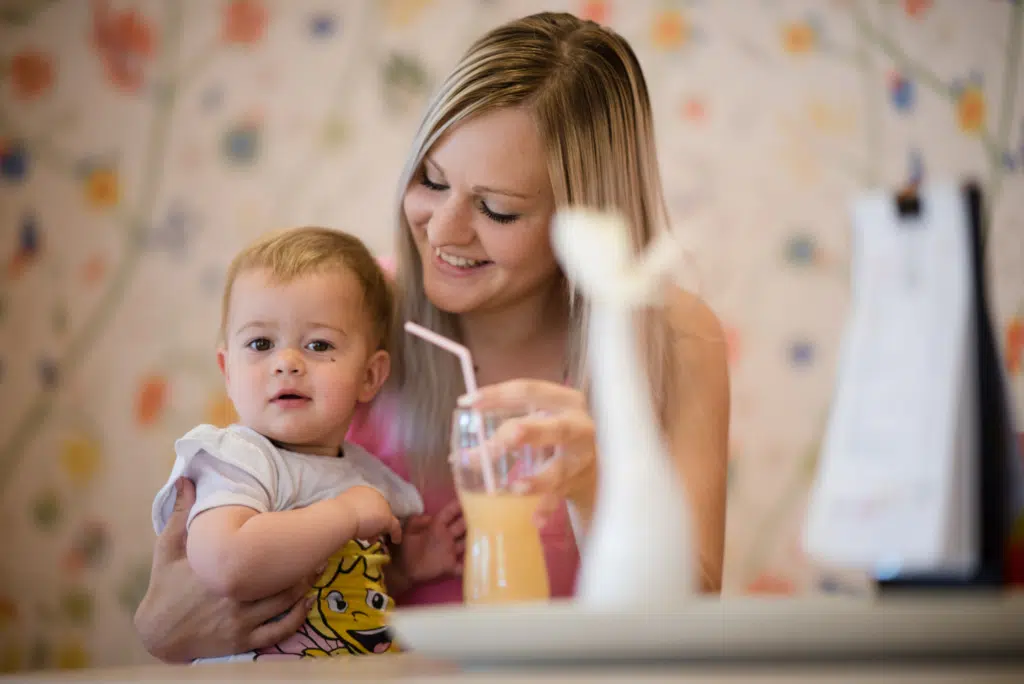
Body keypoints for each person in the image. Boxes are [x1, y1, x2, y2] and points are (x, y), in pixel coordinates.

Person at [134, 12, 729, 662]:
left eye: (497, 209)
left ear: (585, 217)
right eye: (431, 181)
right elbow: (193, 591)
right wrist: (164, 628)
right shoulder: (344, 323)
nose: (443, 230)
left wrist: (592, 489)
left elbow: (688, 620)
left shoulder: (670, 339)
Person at [149, 226, 424, 661]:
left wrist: (414, 567)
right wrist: (347, 514)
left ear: (370, 376)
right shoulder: (239, 459)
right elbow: (226, 562)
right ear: (228, 369)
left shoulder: (368, 476)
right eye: (261, 343)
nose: (286, 363)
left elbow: (357, 583)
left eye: (318, 344)